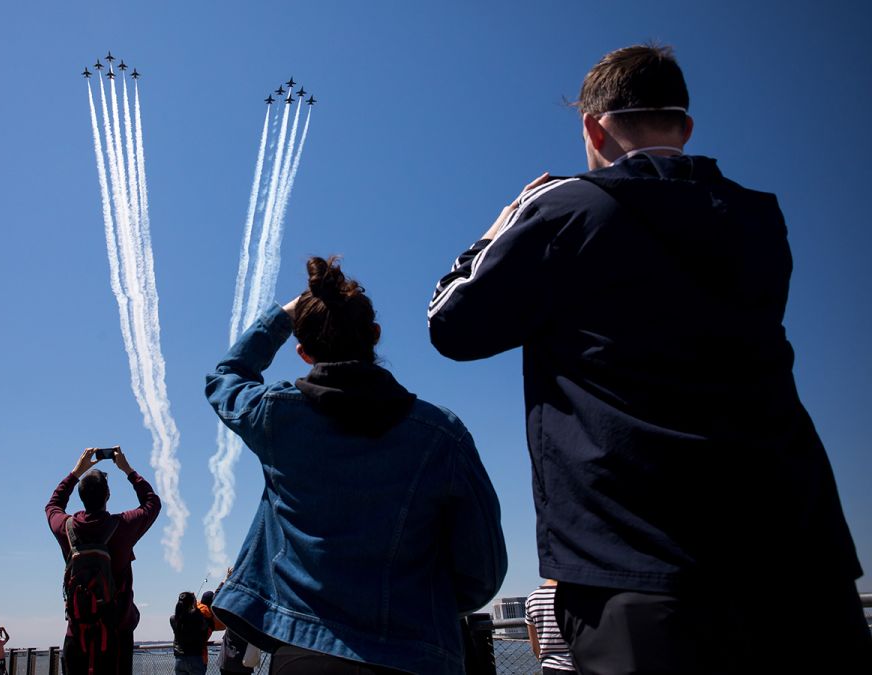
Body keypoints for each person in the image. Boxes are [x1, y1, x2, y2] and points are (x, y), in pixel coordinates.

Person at [427, 44, 871, 672]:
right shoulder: (759, 218)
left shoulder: (565, 208)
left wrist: (500, 228)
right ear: (686, 127)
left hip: (635, 562)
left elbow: (451, 328)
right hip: (799, 557)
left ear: (592, 126)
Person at [206, 257, 507, 675]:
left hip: (301, 654)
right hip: (414, 655)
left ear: (303, 352)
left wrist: (281, 317)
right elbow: (483, 571)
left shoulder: (275, 415)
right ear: (375, 337)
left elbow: (226, 377)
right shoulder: (443, 435)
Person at [47, 446, 161, 674]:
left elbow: (53, 505)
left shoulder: (67, 529)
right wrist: (127, 470)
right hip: (115, 636)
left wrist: (75, 473)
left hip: (77, 636)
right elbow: (152, 503)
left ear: (80, 496)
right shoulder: (122, 526)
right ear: (108, 495)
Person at [524, 581, 573, 674]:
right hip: (576, 666)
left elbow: (535, 646)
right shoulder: (577, 595)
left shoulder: (532, 598)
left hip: (549, 667)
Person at [170, 591, 210, 675]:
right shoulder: (196, 617)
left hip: (179, 659)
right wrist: (195, 605)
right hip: (195, 657)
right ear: (191, 603)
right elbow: (204, 625)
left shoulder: (173, 619)